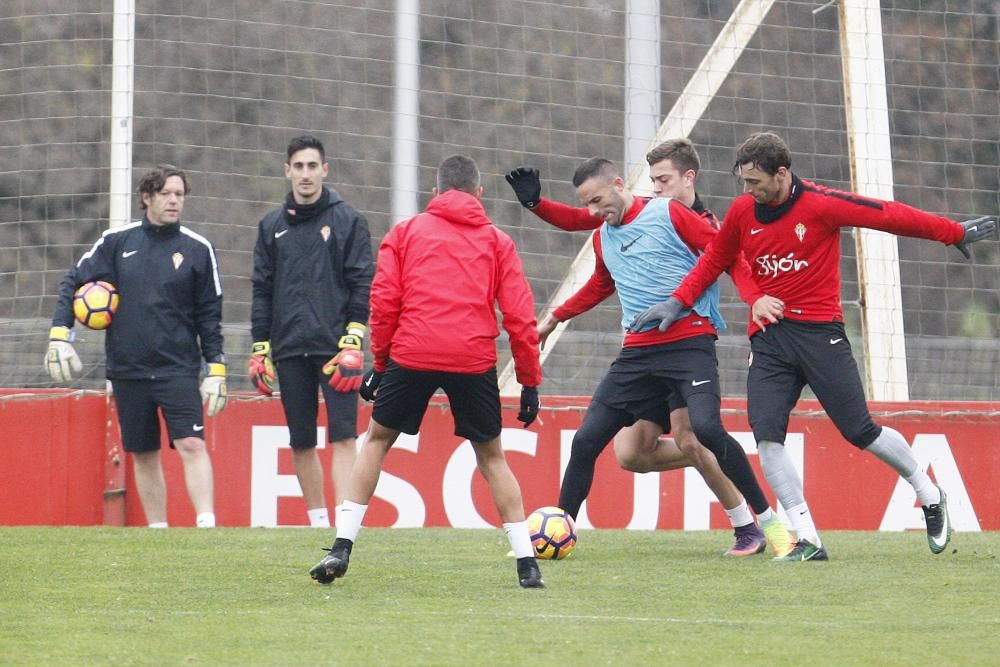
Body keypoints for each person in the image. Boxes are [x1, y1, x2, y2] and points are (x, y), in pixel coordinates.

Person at [633, 131, 997, 560]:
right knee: (766, 435)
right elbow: (717, 259)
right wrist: (678, 302)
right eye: (743, 182)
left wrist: (950, 231)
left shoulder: (821, 205)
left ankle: (928, 491)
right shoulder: (741, 211)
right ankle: (807, 538)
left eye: (755, 182)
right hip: (770, 341)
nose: (748, 191)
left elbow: (887, 214)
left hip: (821, 335)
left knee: (860, 431)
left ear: (782, 173)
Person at [508, 156, 794, 558]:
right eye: (587, 205)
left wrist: (754, 299)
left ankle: (768, 525)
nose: (593, 212)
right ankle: (558, 533)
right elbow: (599, 284)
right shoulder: (603, 234)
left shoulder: (669, 213)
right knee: (590, 440)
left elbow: (725, 253)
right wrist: (554, 318)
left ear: (620, 184)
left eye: (597, 200)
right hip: (638, 354)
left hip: (689, 345)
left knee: (704, 433)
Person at [309, 155, 546, 588]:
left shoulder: (406, 233)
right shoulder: (497, 241)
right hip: (472, 358)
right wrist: (529, 381)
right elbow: (519, 315)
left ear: (434, 193)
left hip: (413, 351)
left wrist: (381, 365)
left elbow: (384, 303)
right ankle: (527, 564)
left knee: (377, 441)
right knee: (492, 457)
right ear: (479, 193)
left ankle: (342, 546)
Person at [45, 164, 226, 528]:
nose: (174, 201)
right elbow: (73, 281)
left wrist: (216, 368)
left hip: (177, 368)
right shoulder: (116, 242)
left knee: (191, 445)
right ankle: (157, 531)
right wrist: (60, 333)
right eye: (166, 194)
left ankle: (207, 525)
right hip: (128, 369)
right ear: (147, 198)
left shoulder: (197, 248)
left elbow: (210, 315)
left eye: (179, 194)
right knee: (143, 452)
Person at [250, 135, 375, 528]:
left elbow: (362, 283)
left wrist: (354, 337)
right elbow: (262, 288)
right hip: (288, 348)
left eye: (312, 166)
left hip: (337, 349)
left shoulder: (348, 220)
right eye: (298, 167)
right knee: (301, 440)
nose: (305, 174)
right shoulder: (271, 226)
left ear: (325, 169)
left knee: (343, 437)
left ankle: (345, 524)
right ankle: (318, 522)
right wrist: (259, 347)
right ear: (287, 171)